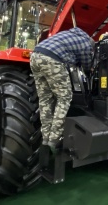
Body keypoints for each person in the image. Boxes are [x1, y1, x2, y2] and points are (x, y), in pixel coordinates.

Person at [30, 27, 94, 165]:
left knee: (45, 99)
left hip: (35, 56)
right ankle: (55, 138)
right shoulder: (86, 43)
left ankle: (46, 136)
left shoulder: (68, 34)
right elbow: (87, 64)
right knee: (64, 97)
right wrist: (90, 70)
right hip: (52, 60)